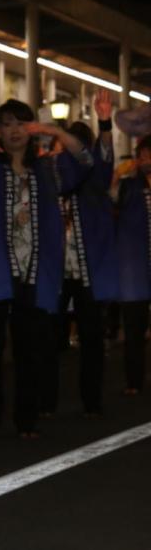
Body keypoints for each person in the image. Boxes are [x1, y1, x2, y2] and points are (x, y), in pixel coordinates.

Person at [0, 100, 91, 438]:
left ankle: (26, 417)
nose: (15, 130)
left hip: (35, 272)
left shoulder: (48, 169)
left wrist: (52, 130)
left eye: (21, 123)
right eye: (7, 124)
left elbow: (84, 159)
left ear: (32, 129)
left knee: (30, 348)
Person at [50, 92, 115, 417]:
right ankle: (45, 401)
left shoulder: (94, 180)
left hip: (87, 269)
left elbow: (104, 158)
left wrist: (105, 123)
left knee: (91, 337)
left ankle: (92, 400)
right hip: (55, 270)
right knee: (49, 337)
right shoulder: (52, 177)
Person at [117, 134, 151, 396]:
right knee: (134, 327)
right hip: (135, 267)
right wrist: (118, 177)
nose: (146, 161)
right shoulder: (129, 186)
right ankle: (133, 379)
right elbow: (111, 204)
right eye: (143, 156)